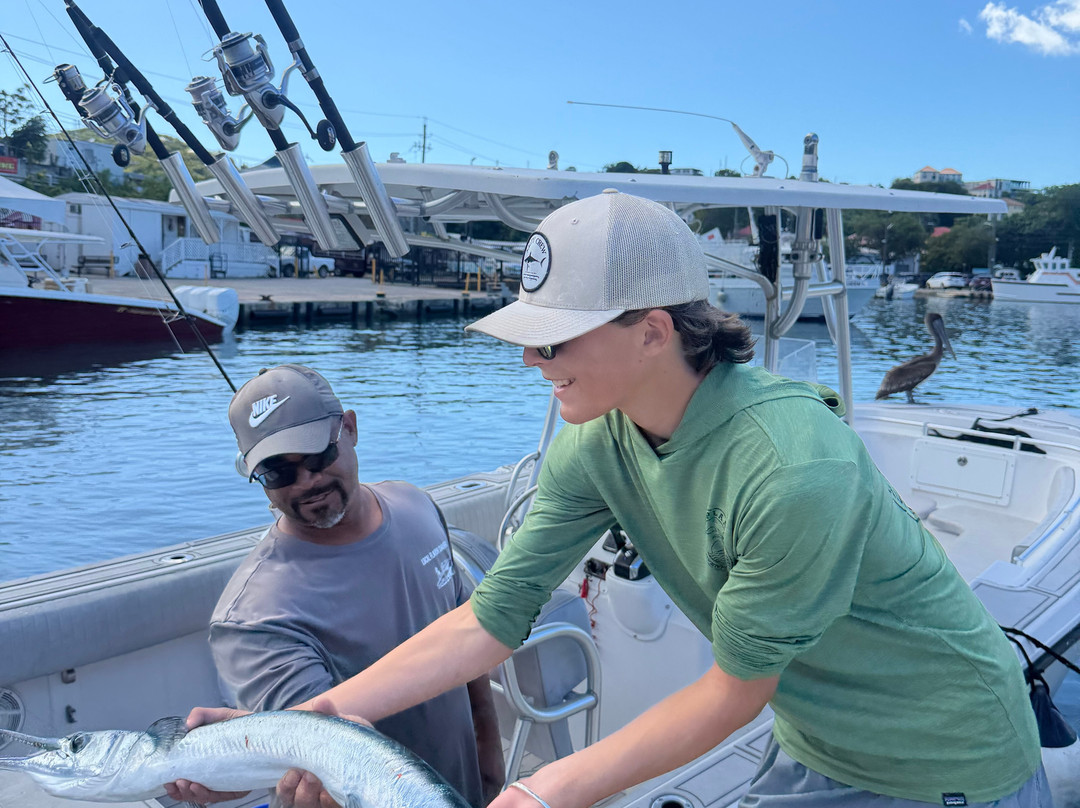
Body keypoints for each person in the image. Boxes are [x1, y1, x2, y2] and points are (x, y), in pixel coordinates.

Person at [174, 192, 1047, 808]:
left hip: (945, 752)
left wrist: (547, 789)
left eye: (551, 339)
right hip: (816, 736)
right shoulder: (598, 442)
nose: (530, 362)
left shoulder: (790, 468)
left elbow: (737, 691)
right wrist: (313, 720)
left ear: (654, 332)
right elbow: (491, 619)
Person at [167, 364, 502, 808]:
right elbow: (321, 768)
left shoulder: (416, 506)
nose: (307, 482)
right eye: (277, 472)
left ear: (350, 427)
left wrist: (489, 756)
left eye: (317, 456)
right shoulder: (254, 618)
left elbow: (466, 644)